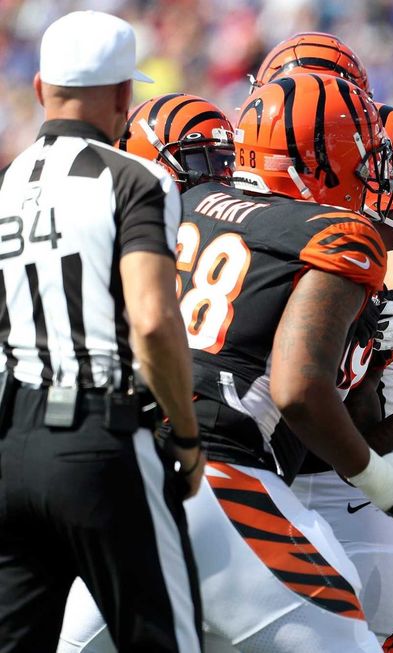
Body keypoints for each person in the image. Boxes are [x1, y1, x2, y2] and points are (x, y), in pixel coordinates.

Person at [59, 72, 393, 653]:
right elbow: (297, 389)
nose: (375, 176)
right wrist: (381, 478)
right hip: (220, 484)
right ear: (316, 161)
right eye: (364, 159)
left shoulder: (183, 204)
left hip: (121, 478)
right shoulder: (336, 235)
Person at [0, 10, 203, 653]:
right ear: (122, 95)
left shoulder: (9, 181)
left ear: (40, 88)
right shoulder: (135, 177)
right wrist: (186, 433)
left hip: (11, 444)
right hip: (98, 434)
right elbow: (152, 319)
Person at [251, 33, 393, 650]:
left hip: (350, 457)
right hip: (260, 452)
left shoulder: (380, 151)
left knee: (373, 619)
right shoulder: (242, 176)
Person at [58, 94, 236, 653]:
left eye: (226, 161)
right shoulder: (118, 236)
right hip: (103, 457)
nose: (219, 179)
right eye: (201, 162)